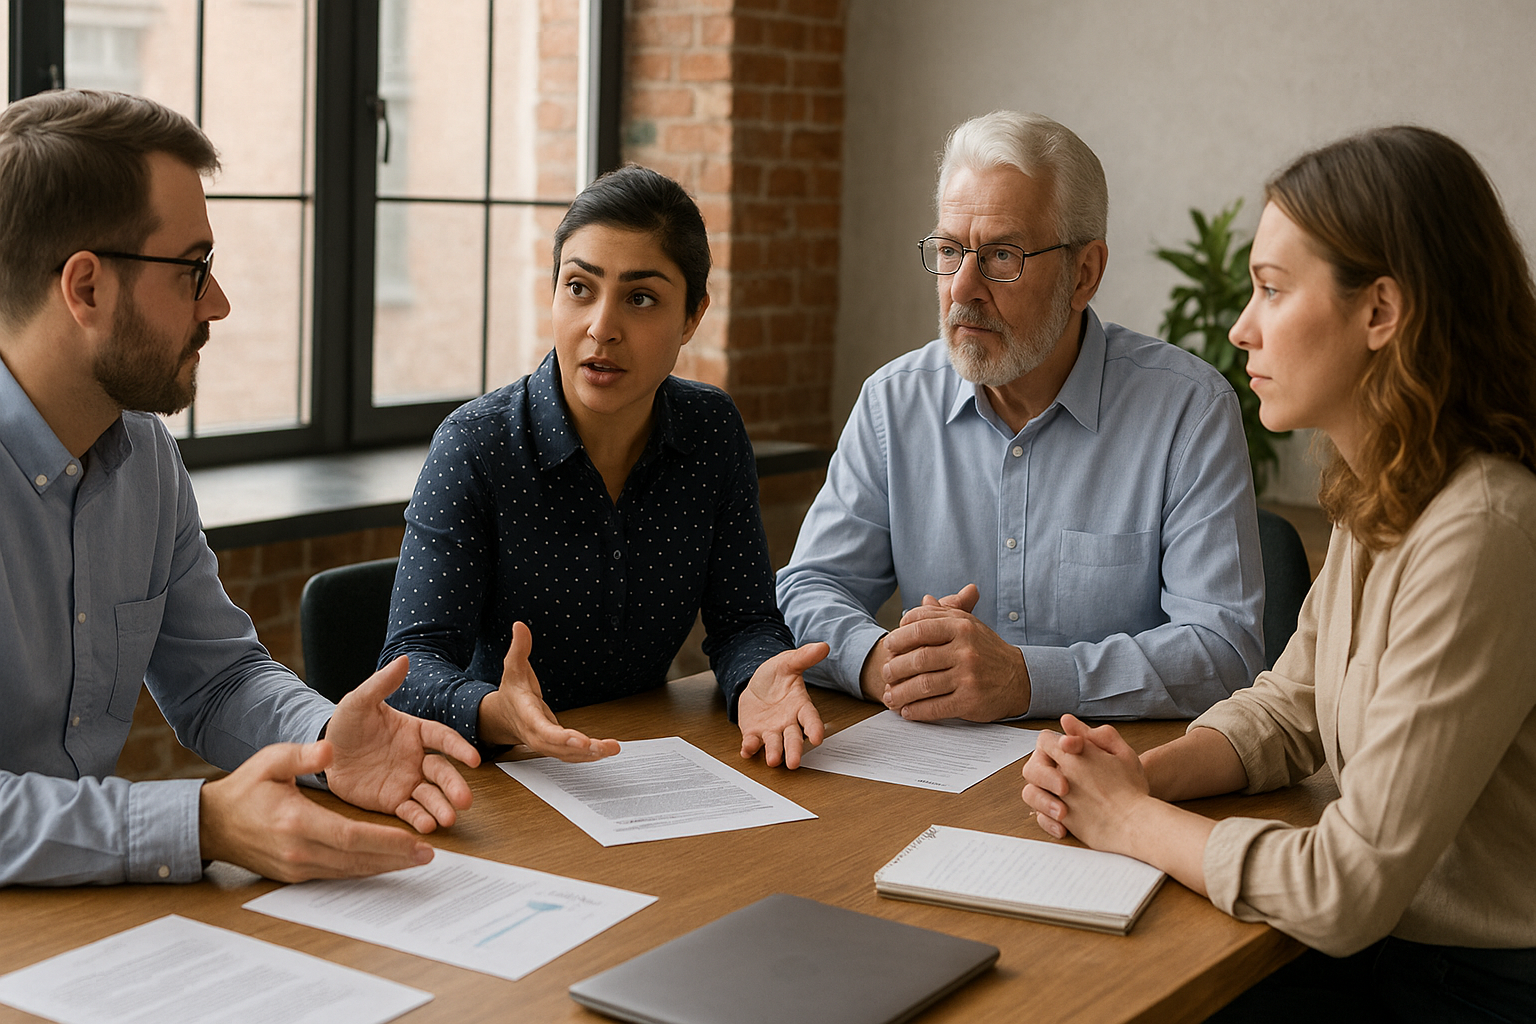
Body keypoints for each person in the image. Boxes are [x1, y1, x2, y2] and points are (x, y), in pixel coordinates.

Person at [1022, 126, 1536, 1021]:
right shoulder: (1389, 490)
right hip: (1390, 953)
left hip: (1470, 984)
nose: (1240, 325)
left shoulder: (1483, 527)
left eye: (1271, 290)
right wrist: (1146, 776)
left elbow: (1348, 885)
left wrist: (1130, 823)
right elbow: (1290, 708)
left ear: (1381, 311)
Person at [0, 89, 481, 888]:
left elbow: (217, 679)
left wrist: (328, 742)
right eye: (194, 271)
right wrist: (202, 823)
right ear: (85, 289)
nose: (218, 304)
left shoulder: (143, 454)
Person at [776, 110, 1264, 724]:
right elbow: (807, 588)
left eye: (1002, 256)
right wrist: (882, 660)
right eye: (950, 250)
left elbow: (1223, 651)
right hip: (931, 782)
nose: (962, 289)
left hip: (1114, 782)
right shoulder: (893, 404)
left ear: (1083, 273)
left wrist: (1027, 680)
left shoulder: (1187, 412)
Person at [380, 165, 829, 770]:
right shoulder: (475, 446)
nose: (601, 328)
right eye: (579, 288)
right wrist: (493, 710)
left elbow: (743, 620)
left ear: (692, 318)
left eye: (640, 298)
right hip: (502, 773)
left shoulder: (711, 431)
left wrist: (757, 680)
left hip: (645, 759)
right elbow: (407, 667)